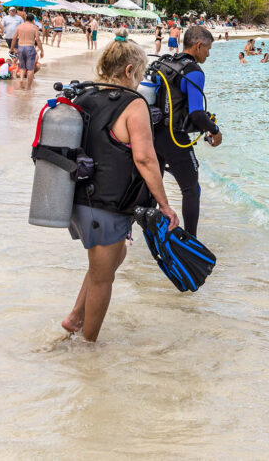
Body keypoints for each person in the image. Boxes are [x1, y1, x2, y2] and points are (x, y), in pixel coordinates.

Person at [62, 31, 180, 342]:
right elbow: (145, 159)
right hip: (106, 206)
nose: (140, 81)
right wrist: (165, 205)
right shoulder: (133, 104)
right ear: (129, 70)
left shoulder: (84, 96)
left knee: (115, 258)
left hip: (77, 201)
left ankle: (75, 318)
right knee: (103, 279)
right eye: (140, 74)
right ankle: (87, 349)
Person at [151, 25, 221, 236]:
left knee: (152, 185)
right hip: (174, 138)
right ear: (198, 46)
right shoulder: (194, 72)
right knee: (191, 189)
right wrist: (215, 130)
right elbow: (196, 113)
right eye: (208, 49)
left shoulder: (166, 63)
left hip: (152, 134)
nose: (208, 54)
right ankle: (191, 239)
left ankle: (146, 229)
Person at [11, 13, 44, 90]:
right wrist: (42, 50)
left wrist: (11, 48)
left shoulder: (19, 26)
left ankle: (21, 80)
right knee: (30, 69)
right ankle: (28, 87)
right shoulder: (34, 27)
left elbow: (14, 38)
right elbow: (38, 40)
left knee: (22, 67)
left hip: (20, 47)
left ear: (26, 19)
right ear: (32, 20)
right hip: (29, 47)